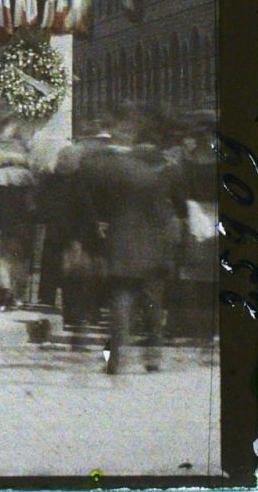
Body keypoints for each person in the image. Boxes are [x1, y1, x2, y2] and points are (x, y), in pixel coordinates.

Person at [82, 114, 180, 374]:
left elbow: (99, 202)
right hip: (151, 251)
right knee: (152, 307)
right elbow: (164, 216)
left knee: (120, 307)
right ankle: (153, 357)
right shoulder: (154, 178)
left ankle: (114, 360)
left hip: (120, 246)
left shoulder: (113, 173)